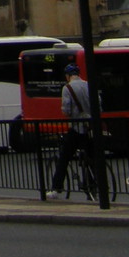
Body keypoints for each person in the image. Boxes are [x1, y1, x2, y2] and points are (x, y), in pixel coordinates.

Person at [50, 63, 92, 195]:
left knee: (64, 158)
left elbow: (66, 110)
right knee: (92, 158)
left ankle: (57, 188)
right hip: (91, 127)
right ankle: (98, 185)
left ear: (68, 76)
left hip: (77, 128)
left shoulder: (67, 88)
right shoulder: (89, 85)